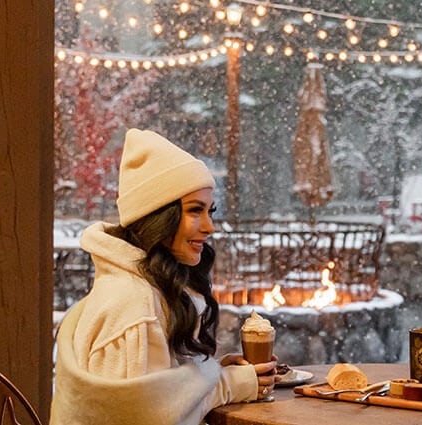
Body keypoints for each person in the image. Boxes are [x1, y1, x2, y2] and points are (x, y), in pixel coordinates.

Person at [51, 129, 277, 425]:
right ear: (158, 216)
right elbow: (148, 417)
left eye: (211, 211)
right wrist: (226, 383)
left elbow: (153, 397)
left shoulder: (138, 289)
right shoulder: (135, 305)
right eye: (195, 211)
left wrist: (215, 375)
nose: (209, 227)